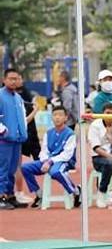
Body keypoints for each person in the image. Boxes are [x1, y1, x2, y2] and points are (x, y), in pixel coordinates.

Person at [21, 106, 81, 208]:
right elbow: (44, 151)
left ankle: (76, 192)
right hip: (48, 160)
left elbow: (67, 154)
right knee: (25, 168)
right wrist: (45, 161)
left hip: (64, 161)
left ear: (66, 118)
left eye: (60, 115)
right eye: (55, 115)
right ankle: (39, 195)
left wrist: (50, 162)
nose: (57, 117)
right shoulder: (48, 133)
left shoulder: (70, 134)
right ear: (51, 117)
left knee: (55, 172)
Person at [0, 68, 28, 210]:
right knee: (2, 169)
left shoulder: (18, 98)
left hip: (17, 139)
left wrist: (23, 133)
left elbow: (21, 118)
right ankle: (1, 196)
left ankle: (10, 196)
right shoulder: (0, 96)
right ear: (4, 80)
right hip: (3, 140)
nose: (13, 81)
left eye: (16, 79)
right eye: (10, 78)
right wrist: (3, 131)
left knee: (12, 169)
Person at [15, 73, 40, 204]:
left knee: (16, 166)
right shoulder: (10, 98)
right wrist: (35, 110)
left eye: (19, 78)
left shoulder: (23, 94)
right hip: (10, 136)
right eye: (14, 79)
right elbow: (24, 121)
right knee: (14, 167)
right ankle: (15, 193)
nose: (18, 81)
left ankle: (16, 193)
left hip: (18, 136)